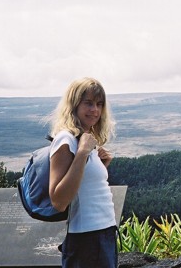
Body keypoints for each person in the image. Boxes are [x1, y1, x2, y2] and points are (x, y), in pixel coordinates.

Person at [48, 77, 117, 268]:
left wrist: (102, 165)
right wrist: (82, 153)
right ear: (74, 105)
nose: (95, 110)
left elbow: (83, 187)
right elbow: (59, 200)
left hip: (104, 233)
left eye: (99, 104)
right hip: (86, 240)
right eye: (88, 103)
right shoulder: (66, 140)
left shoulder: (85, 139)